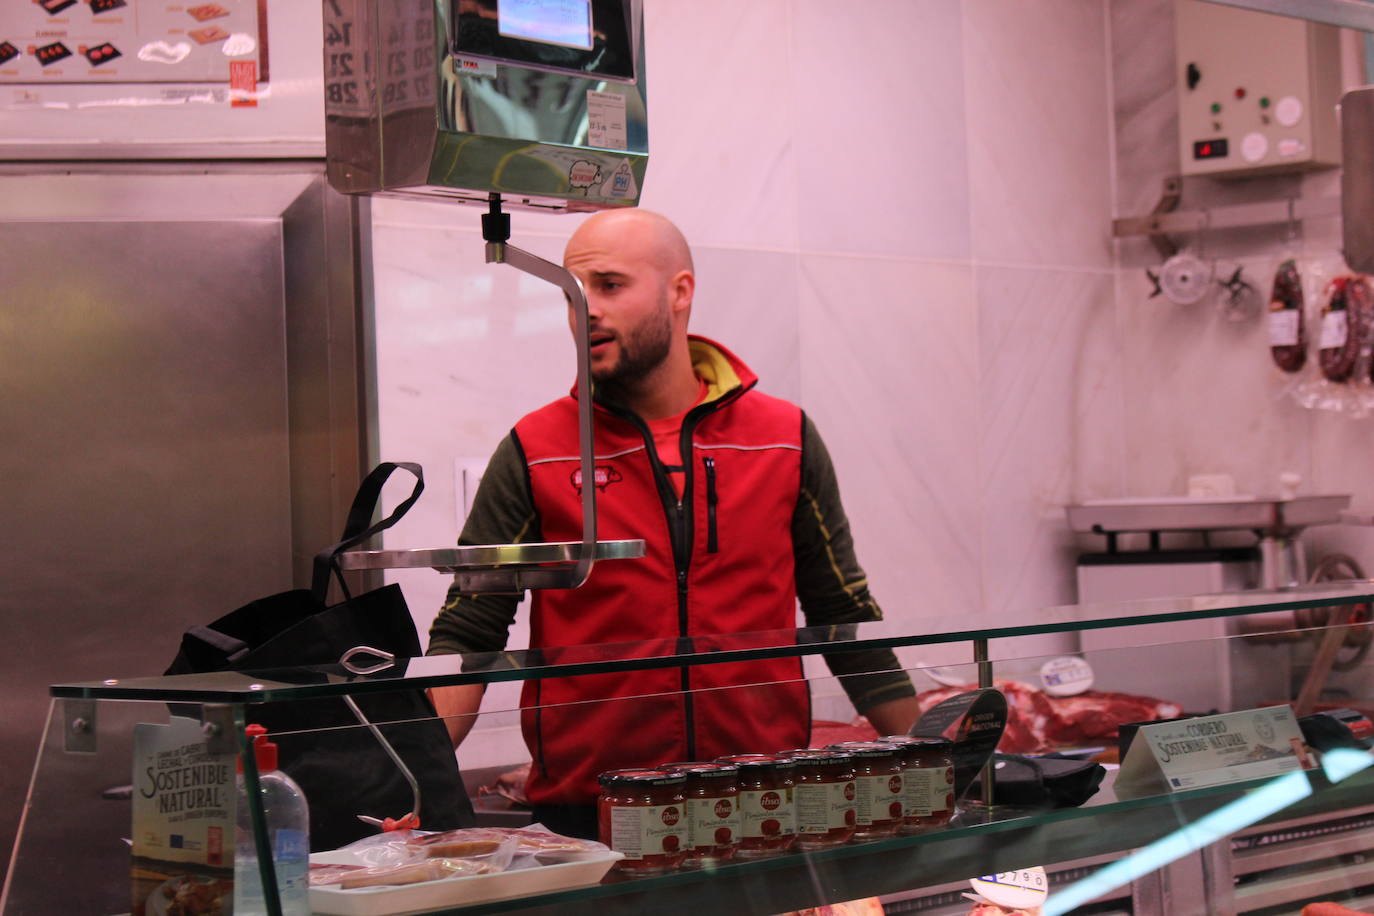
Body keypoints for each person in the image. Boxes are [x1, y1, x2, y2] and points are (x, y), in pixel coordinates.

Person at [427, 209, 919, 838]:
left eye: (608, 286)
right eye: (572, 296)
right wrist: (412, 777)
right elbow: (469, 628)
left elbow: (842, 614)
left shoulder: (784, 438)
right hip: (592, 818)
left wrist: (940, 767)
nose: (587, 312)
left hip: (762, 805)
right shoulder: (536, 447)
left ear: (679, 291)